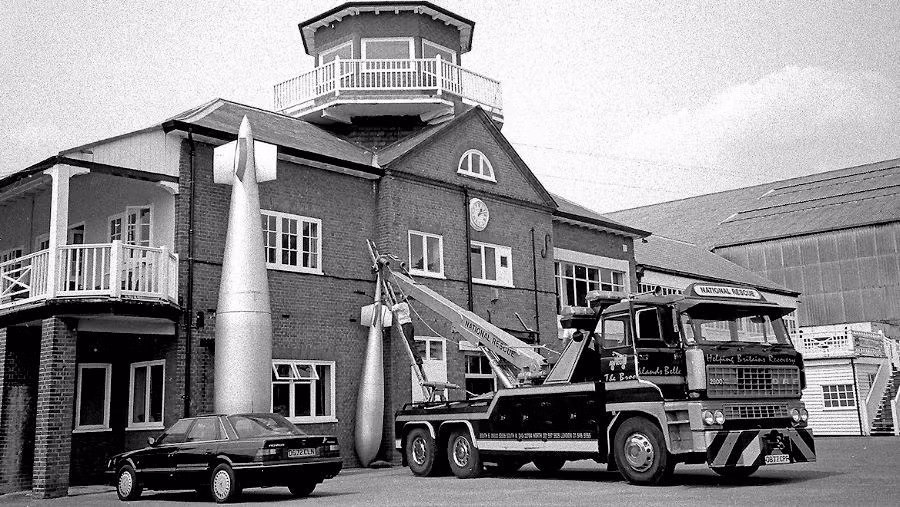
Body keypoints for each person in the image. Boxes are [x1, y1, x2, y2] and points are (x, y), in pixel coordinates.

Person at [393, 300, 423, 366]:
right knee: (411, 342)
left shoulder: (402, 305)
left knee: (410, 343)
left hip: (406, 325)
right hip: (408, 325)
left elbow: (391, 308)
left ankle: (418, 359)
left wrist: (386, 300)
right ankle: (416, 359)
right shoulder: (404, 305)